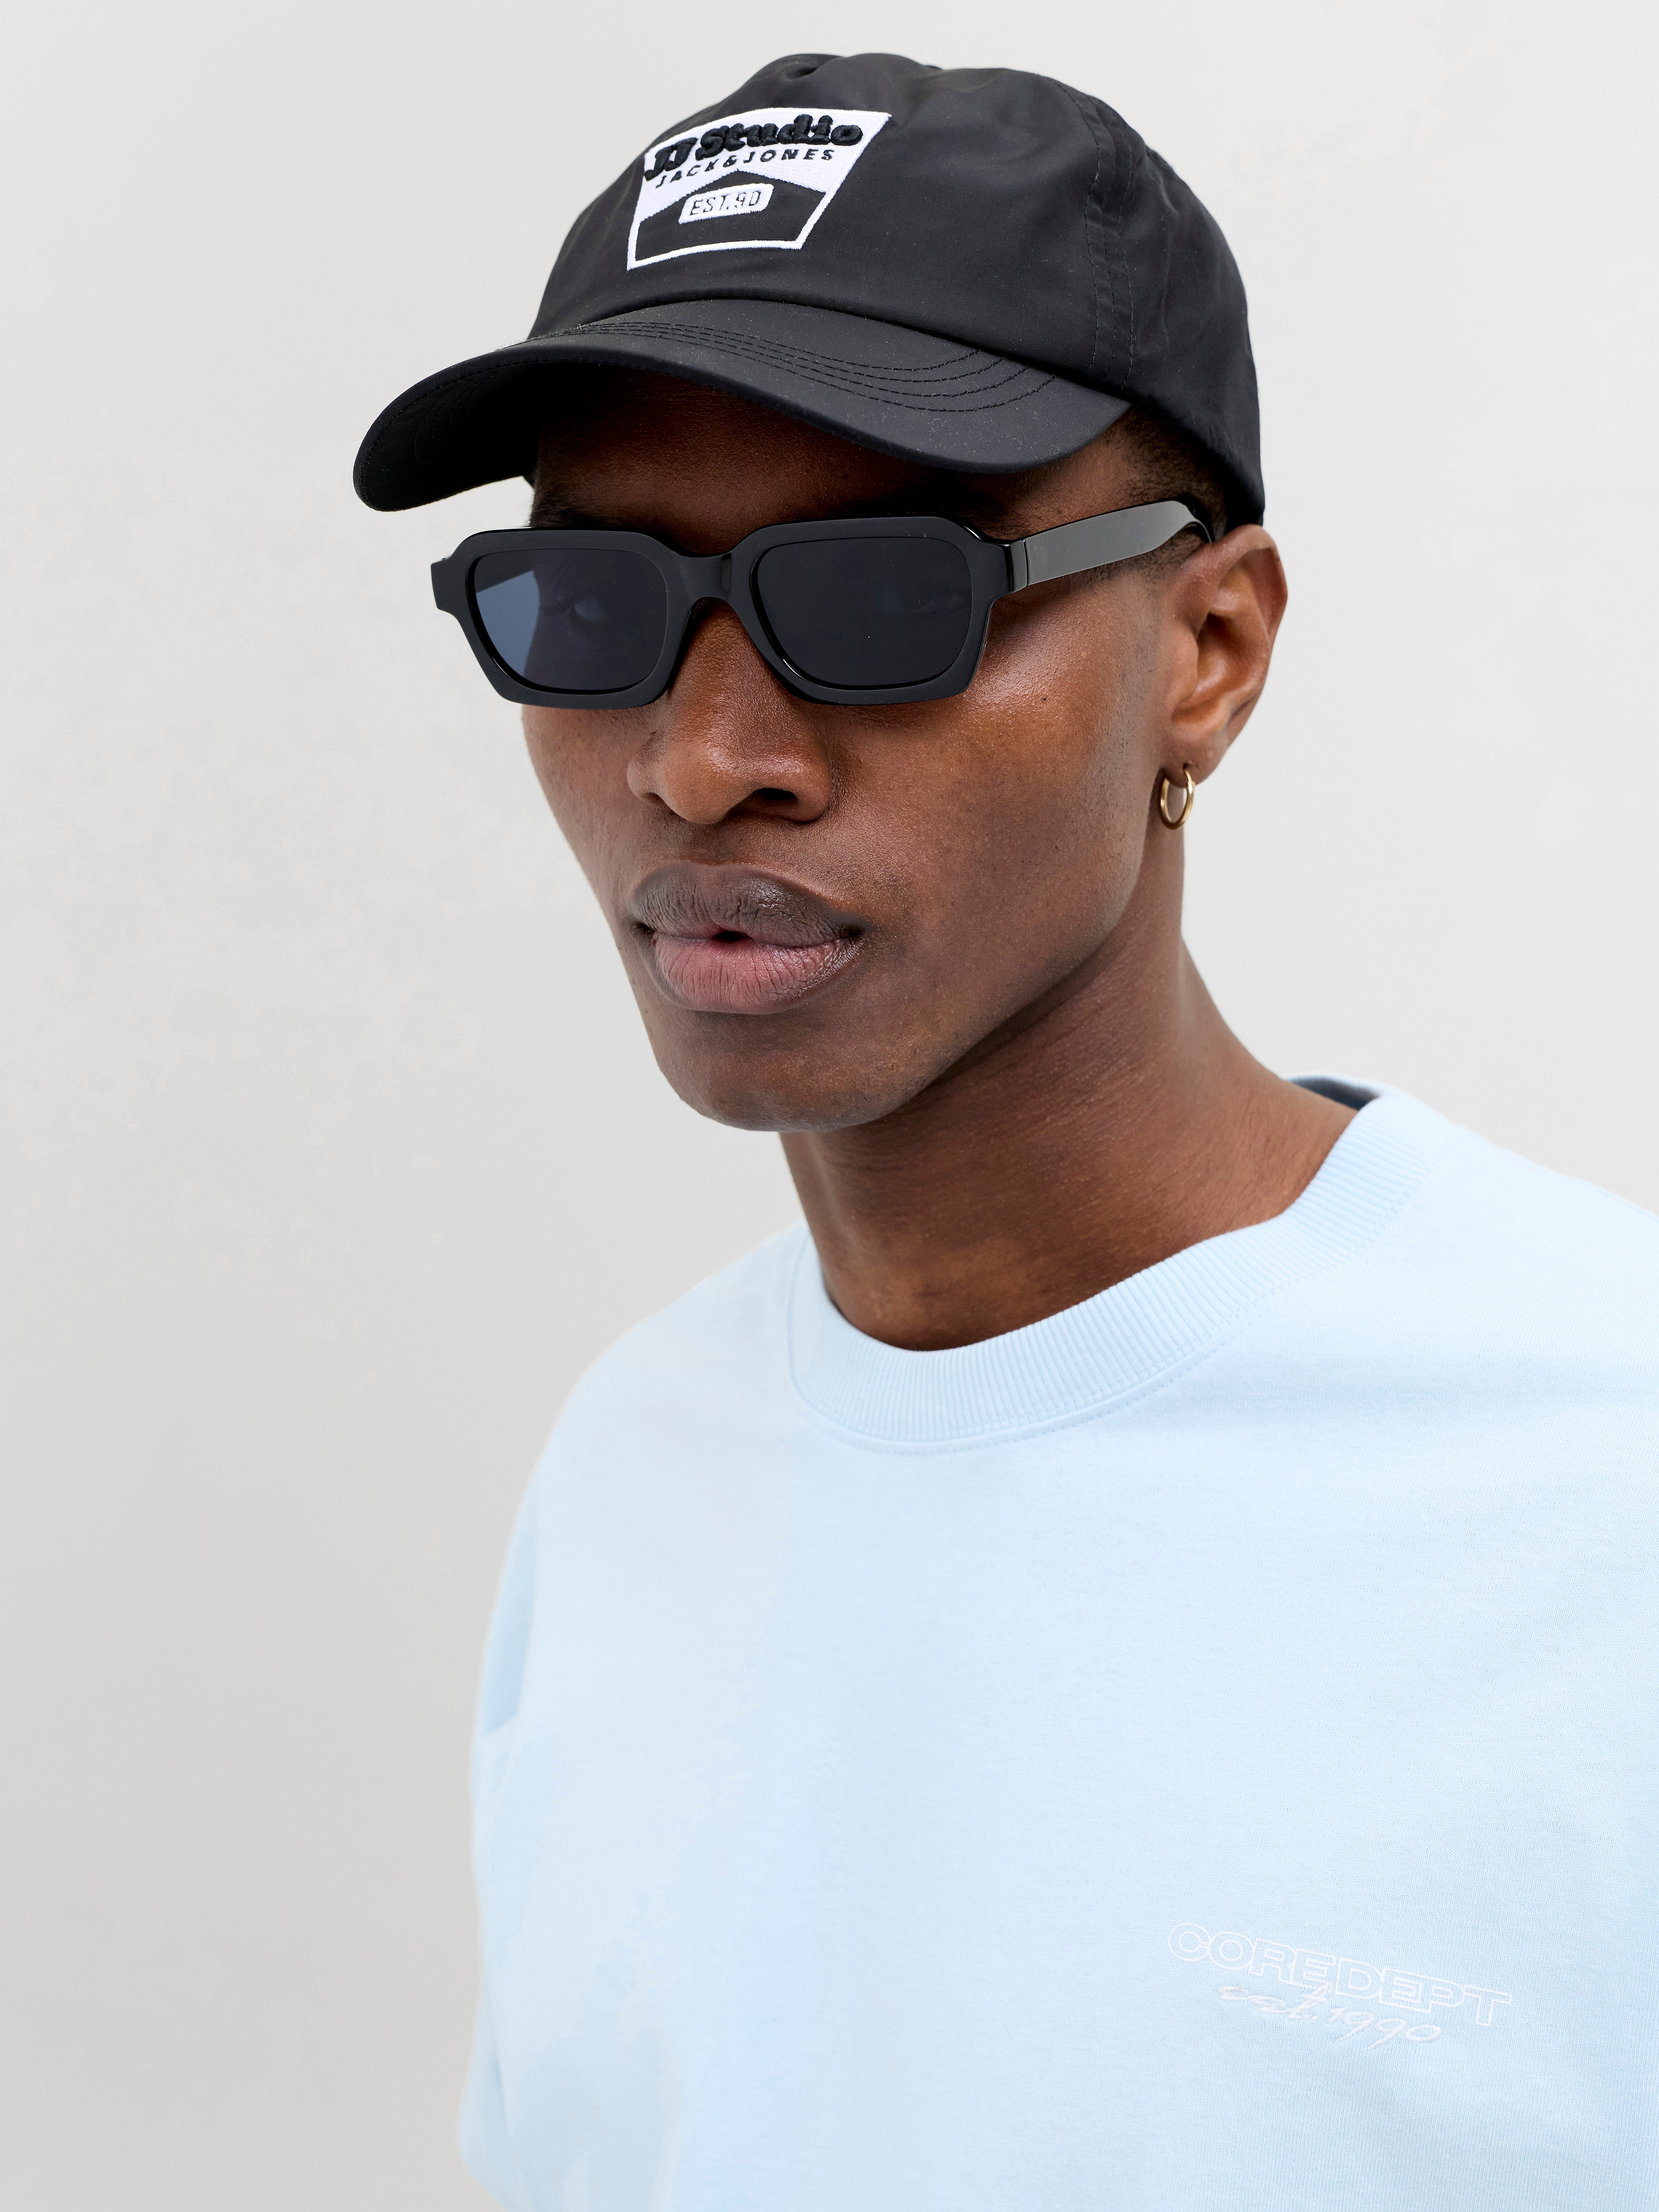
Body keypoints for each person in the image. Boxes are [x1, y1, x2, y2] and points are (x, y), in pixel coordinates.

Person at [355, 51, 1659, 2212]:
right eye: (591, 607)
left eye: (884, 596)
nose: (701, 758)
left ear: (1207, 650)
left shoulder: (1606, 1476)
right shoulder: (635, 1473)